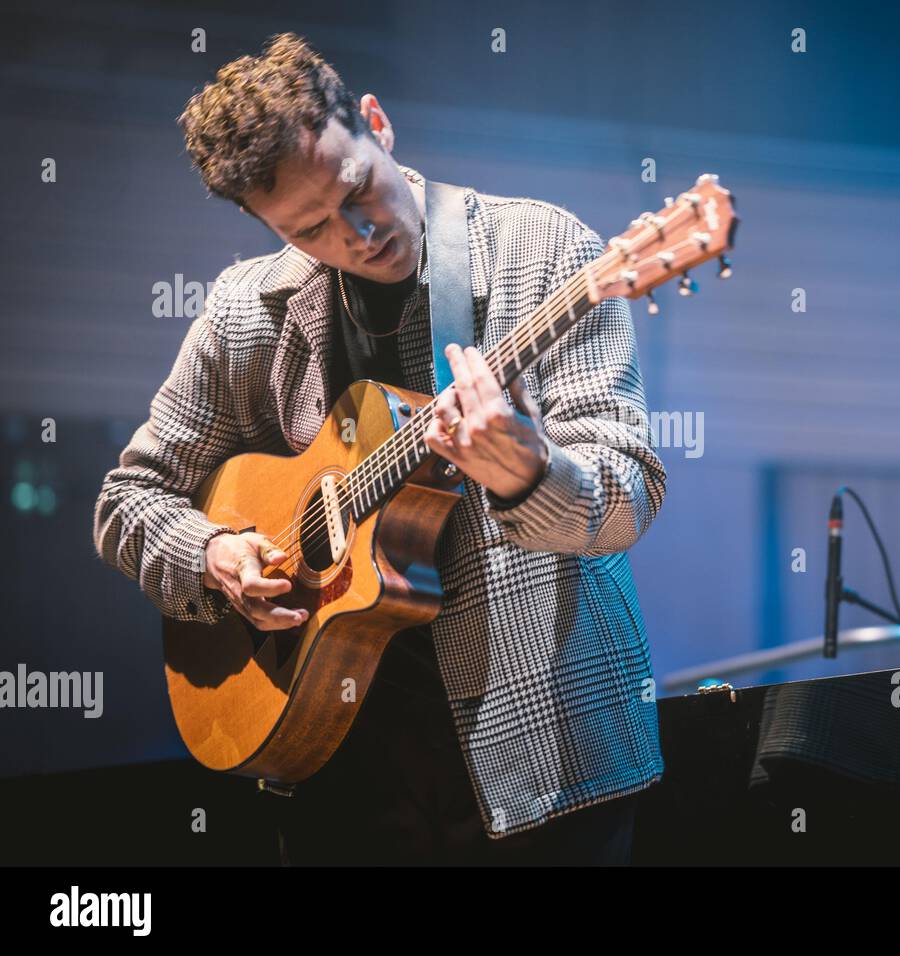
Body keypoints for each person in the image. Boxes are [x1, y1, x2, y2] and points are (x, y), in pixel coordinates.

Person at [92, 33, 667, 864]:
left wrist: (530, 474)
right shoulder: (242, 313)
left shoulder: (543, 252)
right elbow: (127, 499)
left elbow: (631, 494)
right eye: (310, 228)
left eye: (356, 189)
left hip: (545, 749)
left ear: (377, 123)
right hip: (331, 752)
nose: (356, 234)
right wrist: (215, 553)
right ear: (268, 226)